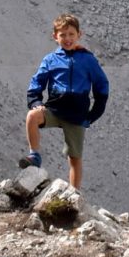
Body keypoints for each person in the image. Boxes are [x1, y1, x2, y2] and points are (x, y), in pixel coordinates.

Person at [20, 12, 109, 190]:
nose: (67, 39)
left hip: (77, 115)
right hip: (54, 110)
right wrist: (35, 102)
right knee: (32, 116)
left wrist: (92, 115)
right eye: (63, 35)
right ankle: (35, 155)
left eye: (71, 34)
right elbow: (36, 82)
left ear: (79, 35)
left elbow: (101, 86)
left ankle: (74, 193)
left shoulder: (88, 59)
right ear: (55, 37)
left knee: (74, 158)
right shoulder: (51, 60)